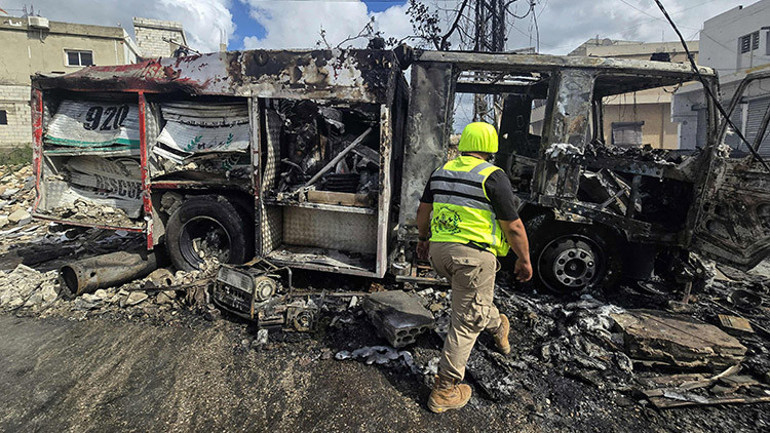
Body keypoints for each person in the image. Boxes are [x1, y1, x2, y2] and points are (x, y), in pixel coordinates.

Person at [415, 122, 533, 413]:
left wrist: (422, 239)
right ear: (491, 148)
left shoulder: (442, 171)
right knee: (466, 321)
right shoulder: (493, 177)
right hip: (473, 258)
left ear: (465, 144)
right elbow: (514, 226)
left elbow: (423, 212)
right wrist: (524, 259)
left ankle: (498, 325)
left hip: (440, 253)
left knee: (473, 305)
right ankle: (445, 390)